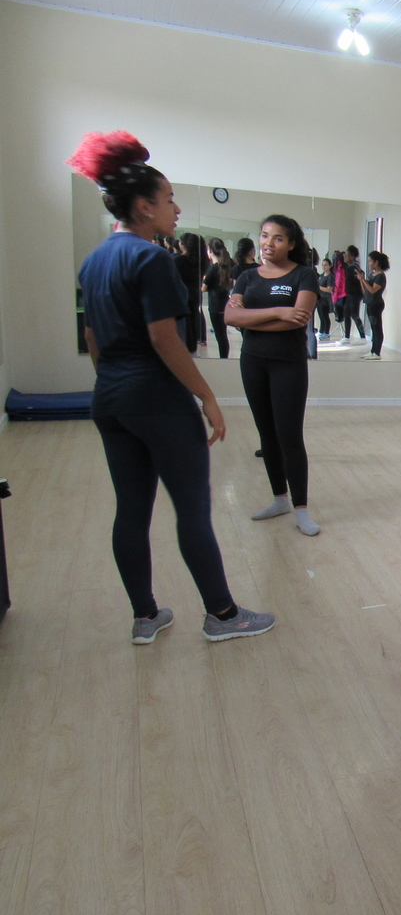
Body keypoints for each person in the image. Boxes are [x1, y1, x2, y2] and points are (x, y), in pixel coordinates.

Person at [67, 130, 275, 644]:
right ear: (143, 206)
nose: (176, 209)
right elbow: (165, 338)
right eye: (168, 199)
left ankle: (146, 616)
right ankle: (223, 615)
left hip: (110, 399)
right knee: (192, 510)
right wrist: (206, 395)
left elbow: (92, 337)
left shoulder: (94, 261)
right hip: (158, 400)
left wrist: (117, 384)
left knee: (131, 510)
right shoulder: (152, 258)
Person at [224, 215, 321, 536]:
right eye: (265, 236)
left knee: (289, 436)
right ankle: (280, 499)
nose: (268, 243)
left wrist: (250, 319)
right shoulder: (247, 277)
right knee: (266, 435)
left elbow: (299, 318)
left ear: (291, 244)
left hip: (288, 365)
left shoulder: (304, 275)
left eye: (278, 238)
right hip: (252, 362)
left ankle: (301, 508)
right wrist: (278, 311)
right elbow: (230, 317)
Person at [202, 237, 234, 358]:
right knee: (223, 335)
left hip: (215, 306)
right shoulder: (227, 266)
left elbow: (204, 288)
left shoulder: (213, 268)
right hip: (225, 304)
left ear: (210, 250)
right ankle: (224, 357)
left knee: (220, 336)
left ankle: (223, 359)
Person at [174, 232, 205, 353]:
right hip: (196, 293)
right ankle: (192, 346)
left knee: (183, 322)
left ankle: (184, 346)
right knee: (193, 319)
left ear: (183, 244)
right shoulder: (201, 261)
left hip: (181, 295)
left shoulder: (178, 260)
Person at [358, 250, 389, 359]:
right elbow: (365, 291)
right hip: (369, 303)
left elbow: (372, 290)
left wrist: (363, 280)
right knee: (373, 328)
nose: (369, 263)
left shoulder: (380, 276)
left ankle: (377, 352)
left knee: (377, 328)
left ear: (376, 262)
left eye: (370, 261)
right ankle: (372, 351)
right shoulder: (372, 274)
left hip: (376, 304)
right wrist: (361, 280)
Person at [341, 244, 366, 343]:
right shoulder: (349, 267)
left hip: (355, 294)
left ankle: (363, 337)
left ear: (352, 257)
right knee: (346, 313)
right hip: (350, 294)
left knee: (354, 314)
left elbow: (359, 280)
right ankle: (347, 337)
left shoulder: (354, 268)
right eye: (345, 254)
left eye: (347, 255)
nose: (345, 257)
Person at [316, 257, 335, 340]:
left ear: (330, 266)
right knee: (321, 316)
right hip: (319, 298)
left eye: (326, 265)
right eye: (323, 265)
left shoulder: (330, 277)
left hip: (326, 299)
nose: (324, 267)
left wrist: (319, 287)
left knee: (325, 316)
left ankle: (326, 333)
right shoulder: (321, 276)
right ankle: (321, 331)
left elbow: (329, 289)